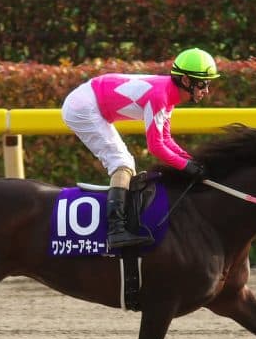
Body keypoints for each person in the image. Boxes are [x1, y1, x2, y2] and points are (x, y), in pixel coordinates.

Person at [61, 48, 219, 250]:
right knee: (123, 164)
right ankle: (116, 230)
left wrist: (191, 161)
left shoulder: (169, 95)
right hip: (82, 107)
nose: (206, 90)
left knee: (126, 165)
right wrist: (186, 166)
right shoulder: (160, 96)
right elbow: (155, 147)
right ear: (187, 81)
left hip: (90, 101)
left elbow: (166, 139)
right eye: (203, 83)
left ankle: (122, 226)